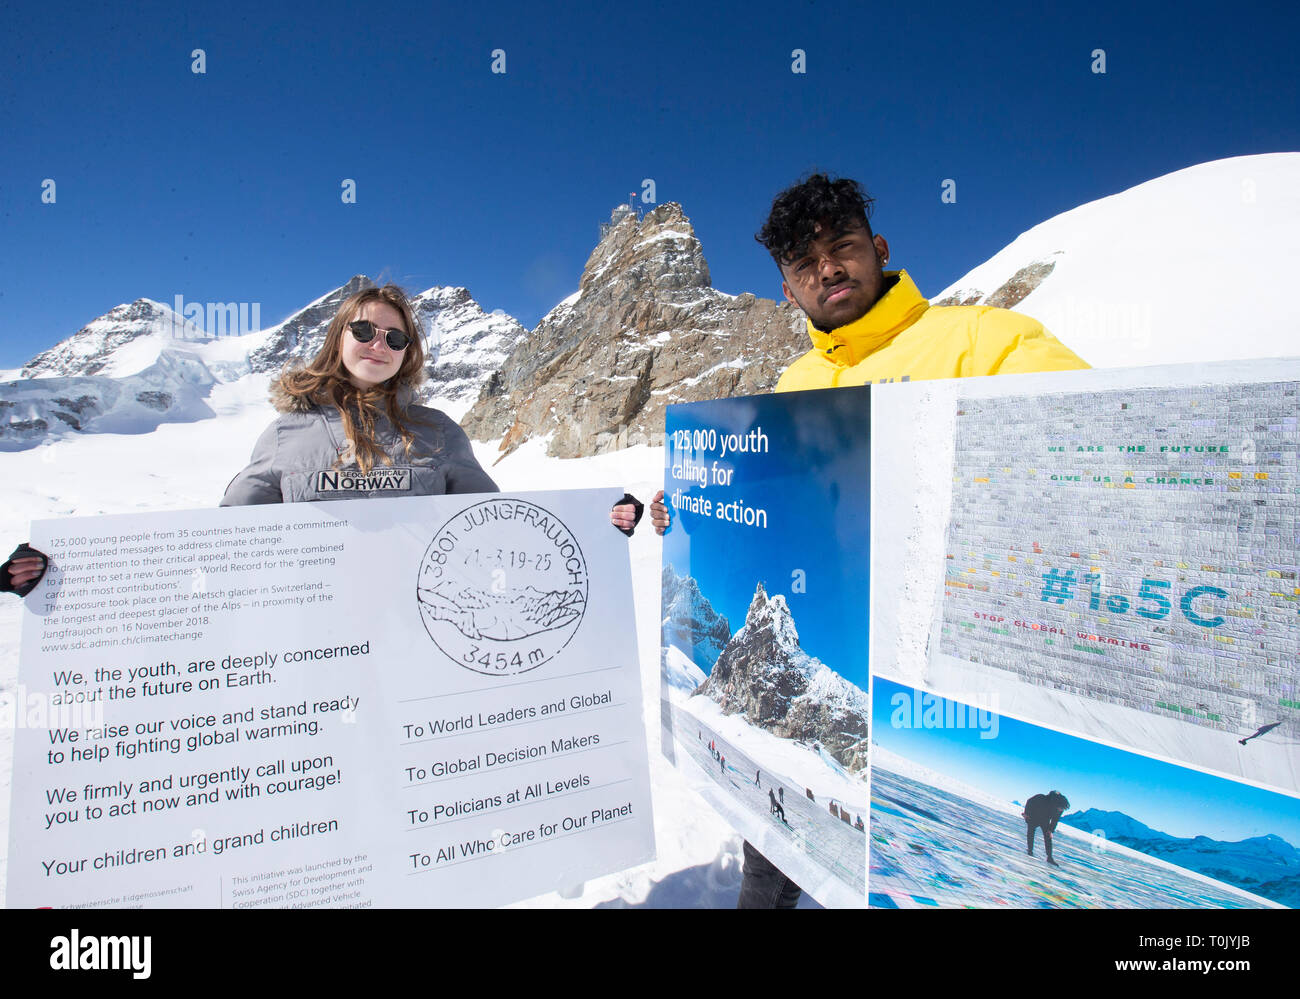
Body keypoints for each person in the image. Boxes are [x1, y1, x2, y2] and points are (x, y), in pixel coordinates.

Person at [652, 173, 1089, 907]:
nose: (826, 269)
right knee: (771, 860)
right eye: (802, 263)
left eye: (842, 247)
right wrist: (688, 509)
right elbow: (761, 504)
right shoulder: (792, 383)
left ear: (879, 250)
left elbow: (1097, 454)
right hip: (840, 637)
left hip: (941, 667)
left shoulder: (985, 340)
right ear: (788, 291)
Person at [7, 285, 644, 592]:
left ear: (409, 355)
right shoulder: (287, 433)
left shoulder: (438, 435)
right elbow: (217, 545)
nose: (380, 345)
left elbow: (500, 529)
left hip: (418, 636)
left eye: (397, 339)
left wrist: (599, 522)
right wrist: (66, 572)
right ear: (337, 338)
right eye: (365, 331)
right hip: (307, 650)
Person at [1023, 790, 1071, 866]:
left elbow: (1055, 820)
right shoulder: (1041, 798)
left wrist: (1051, 830)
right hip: (1033, 816)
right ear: (1057, 804)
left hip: (1045, 820)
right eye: (1061, 808)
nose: (1061, 810)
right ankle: (1030, 851)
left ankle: (1050, 857)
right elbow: (1029, 802)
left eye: (1063, 809)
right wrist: (1026, 814)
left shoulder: (1059, 809)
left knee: (1048, 836)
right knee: (1031, 833)